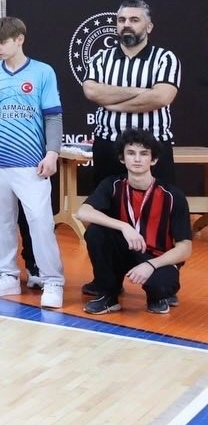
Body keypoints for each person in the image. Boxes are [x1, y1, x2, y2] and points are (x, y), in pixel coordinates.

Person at [0, 16, 65, 309]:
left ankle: (53, 280)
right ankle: (7, 276)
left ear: (19, 39)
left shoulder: (42, 72)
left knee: (40, 222)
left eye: (2, 42)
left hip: (30, 163)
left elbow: (53, 116)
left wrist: (52, 153)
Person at [76, 130, 191, 315]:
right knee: (95, 231)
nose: (137, 159)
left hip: (156, 257)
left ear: (153, 160)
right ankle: (108, 295)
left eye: (144, 154)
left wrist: (151, 265)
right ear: (122, 158)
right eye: (131, 153)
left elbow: (185, 248)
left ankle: (157, 296)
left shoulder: (173, 195)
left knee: (162, 286)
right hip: (124, 249)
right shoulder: (112, 184)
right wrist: (124, 227)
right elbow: (83, 212)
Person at [82, 0, 180, 185]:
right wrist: (144, 92)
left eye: (134, 20)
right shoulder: (100, 58)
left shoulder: (165, 58)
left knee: (157, 202)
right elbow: (92, 91)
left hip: (153, 146)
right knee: (107, 201)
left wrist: (112, 103)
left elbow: (162, 97)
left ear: (149, 27)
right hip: (109, 145)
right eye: (121, 20)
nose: (126, 24)